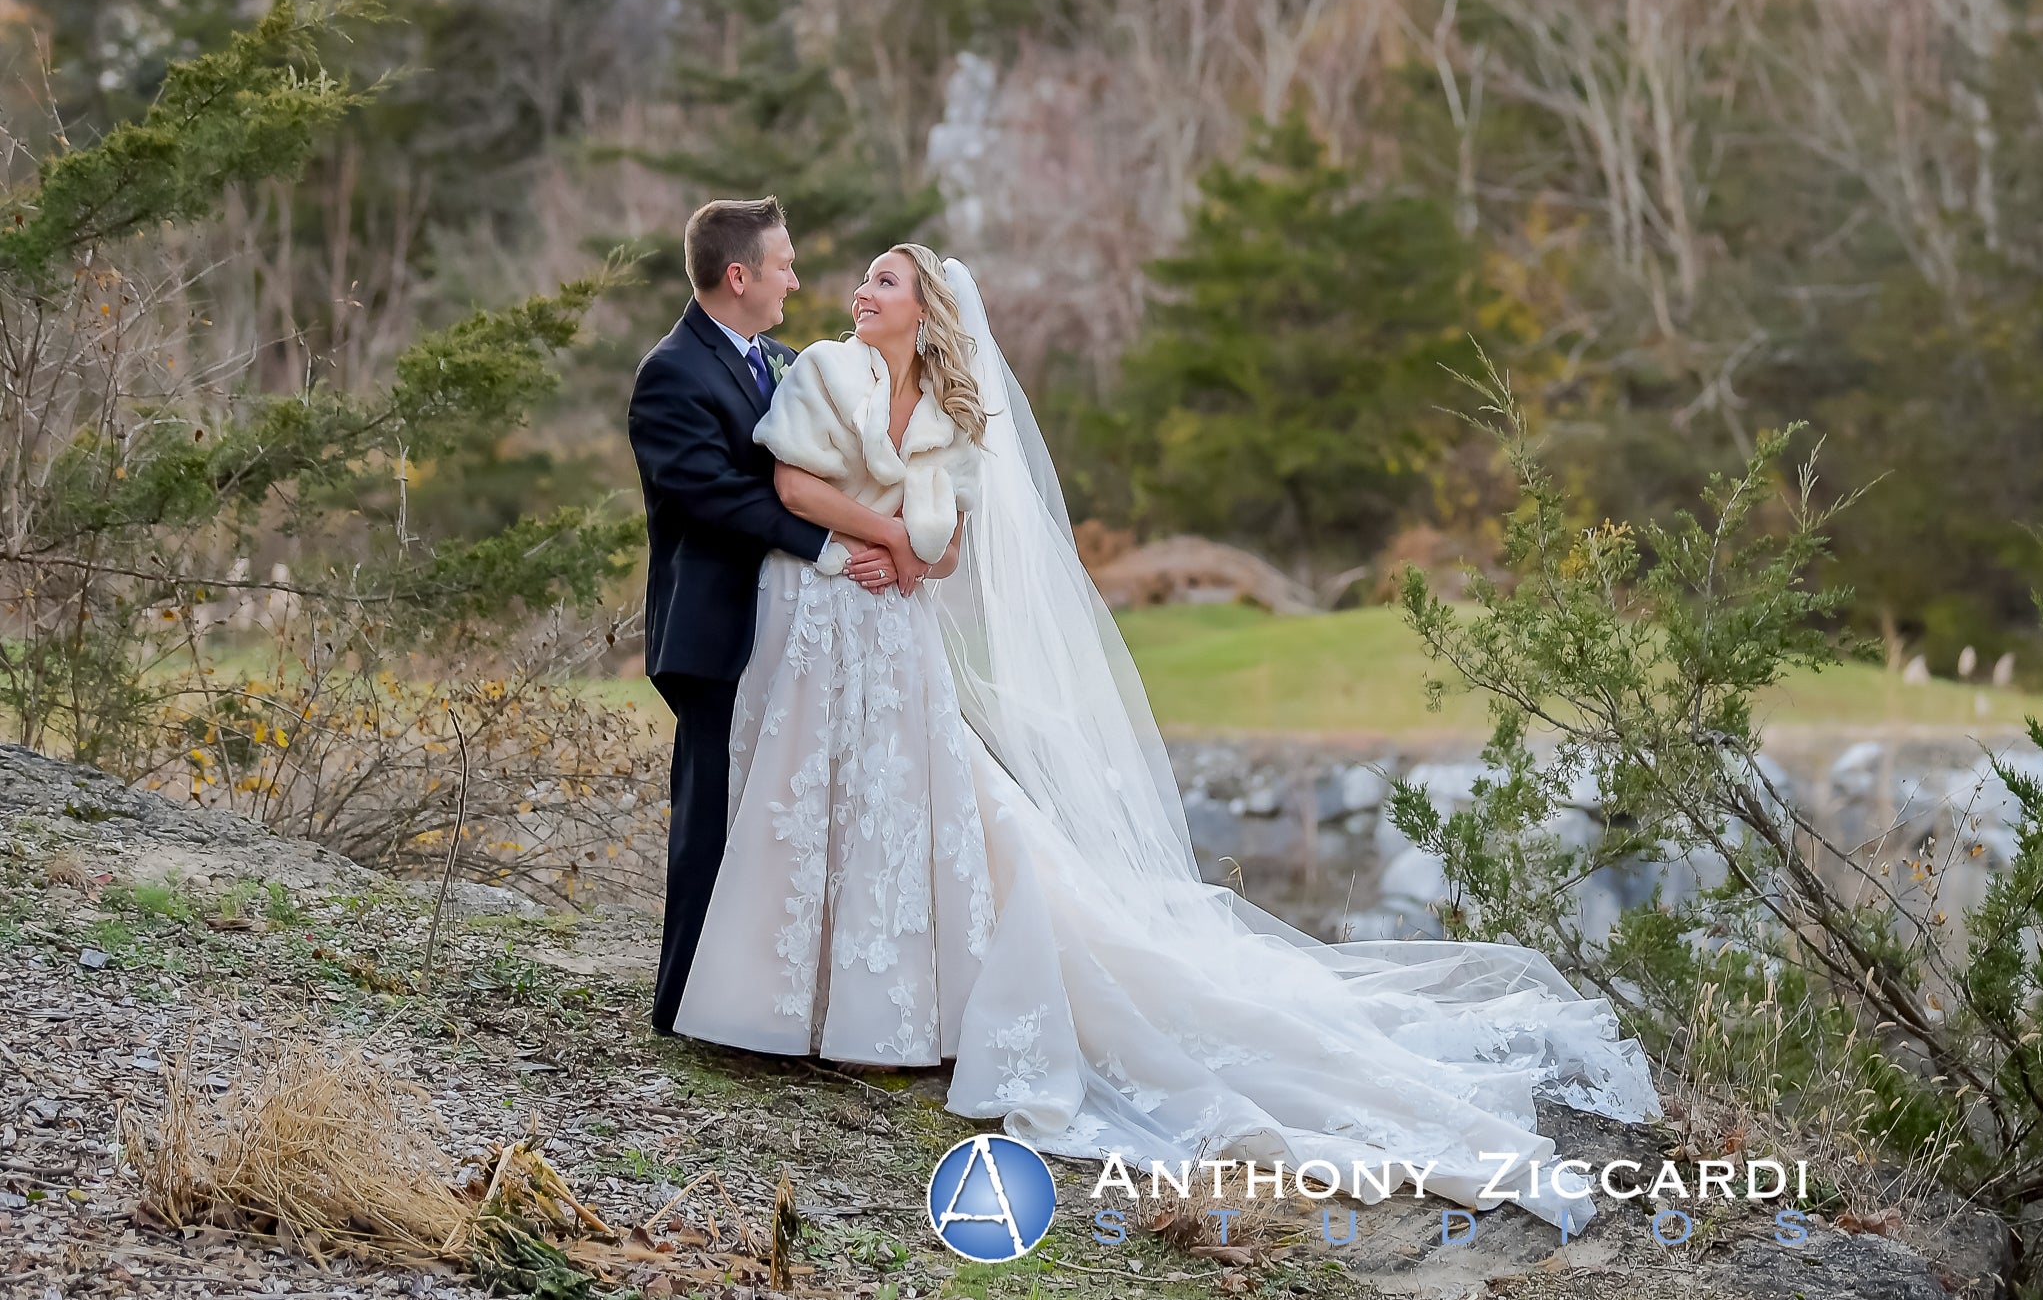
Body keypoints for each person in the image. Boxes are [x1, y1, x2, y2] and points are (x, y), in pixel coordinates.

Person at [674, 241, 1661, 1234]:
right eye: (865, 279)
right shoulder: (823, 372)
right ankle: (773, 1007)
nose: (858, 289)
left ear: (926, 314)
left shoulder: (951, 419)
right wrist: (885, 537)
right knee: (810, 807)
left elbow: (949, 551)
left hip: (895, 634)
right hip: (814, 621)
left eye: (884, 281)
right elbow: (797, 493)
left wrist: (907, 553)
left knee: (895, 815)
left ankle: (878, 1022)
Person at [624, 198, 898, 1035]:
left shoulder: (776, 360)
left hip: (794, 629)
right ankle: (684, 1005)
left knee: (771, 814)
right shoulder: (671, 372)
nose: (796, 278)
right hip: (712, 629)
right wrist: (830, 543)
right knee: (711, 813)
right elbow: (710, 494)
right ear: (737, 275)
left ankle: (766, 1002)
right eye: (783, 264)